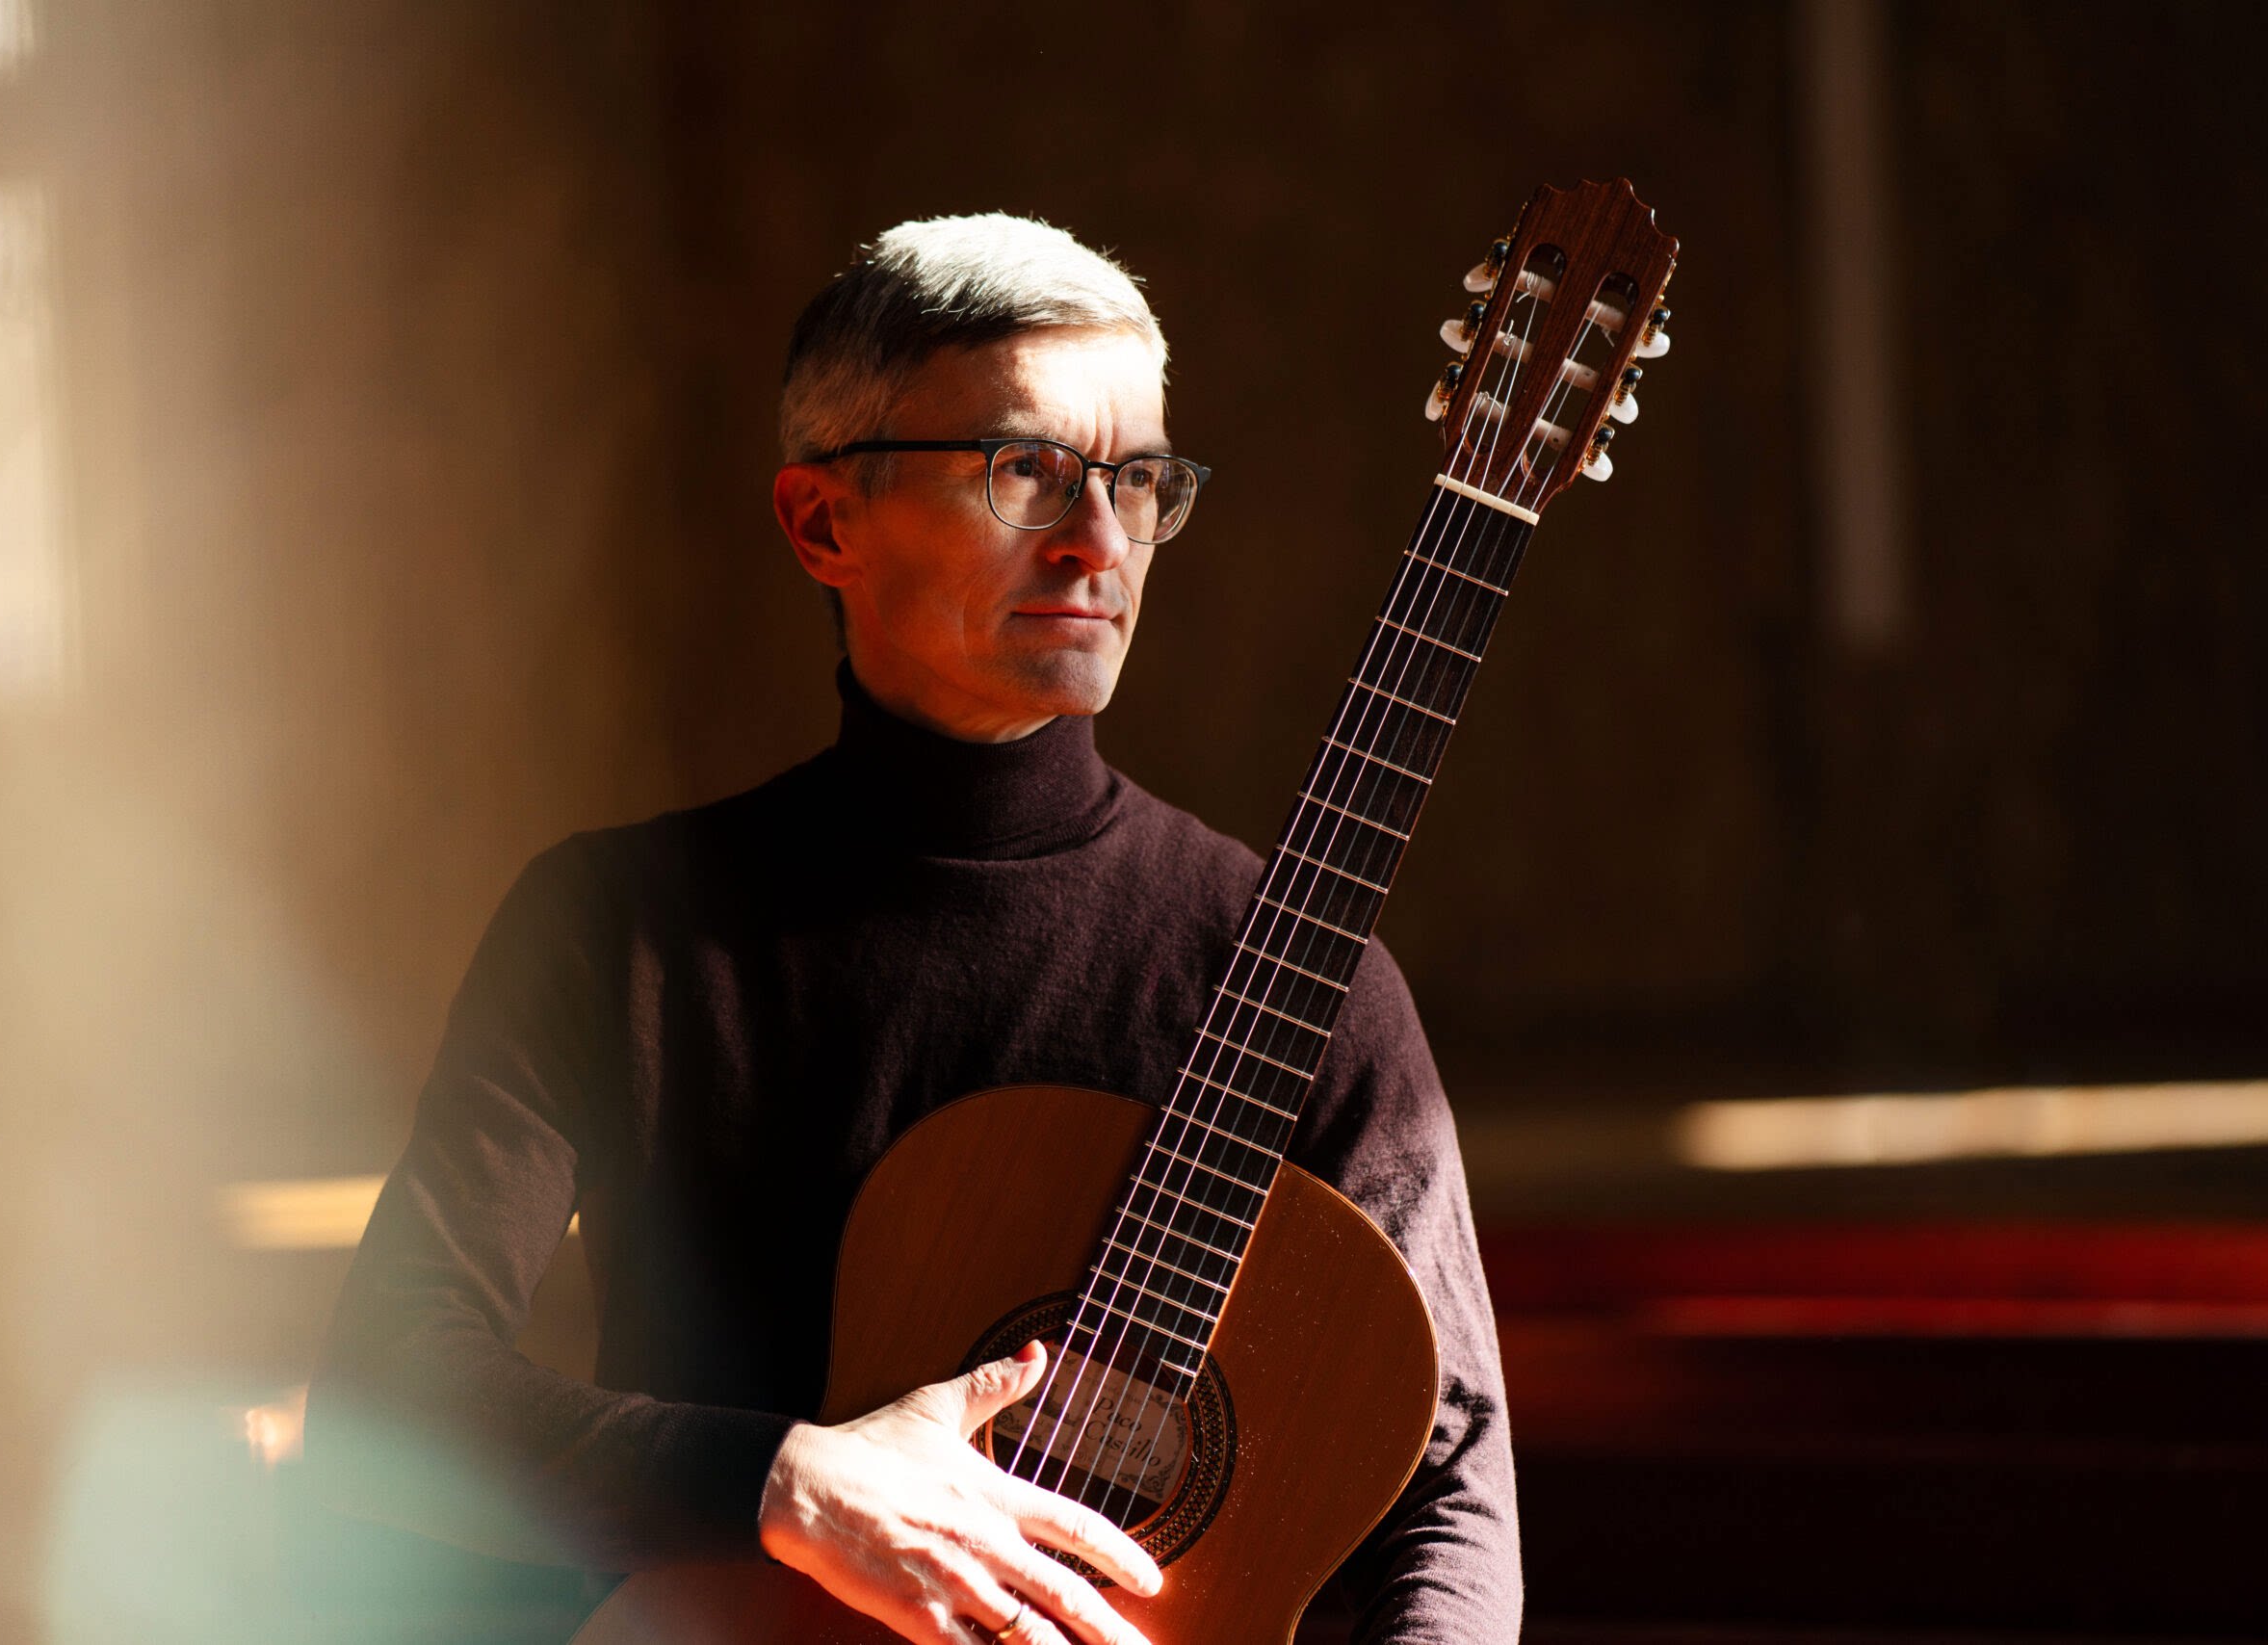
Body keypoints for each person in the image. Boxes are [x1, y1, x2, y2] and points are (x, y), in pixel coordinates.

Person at [309, 213, 1521, 1645]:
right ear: (825, 523)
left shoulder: (1303, 971)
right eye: (1027, 472)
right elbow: (388, 1385)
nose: (1096, 541)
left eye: (1138, 480)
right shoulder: (613, 929)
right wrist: (788, 1484)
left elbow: (1451, 1496)